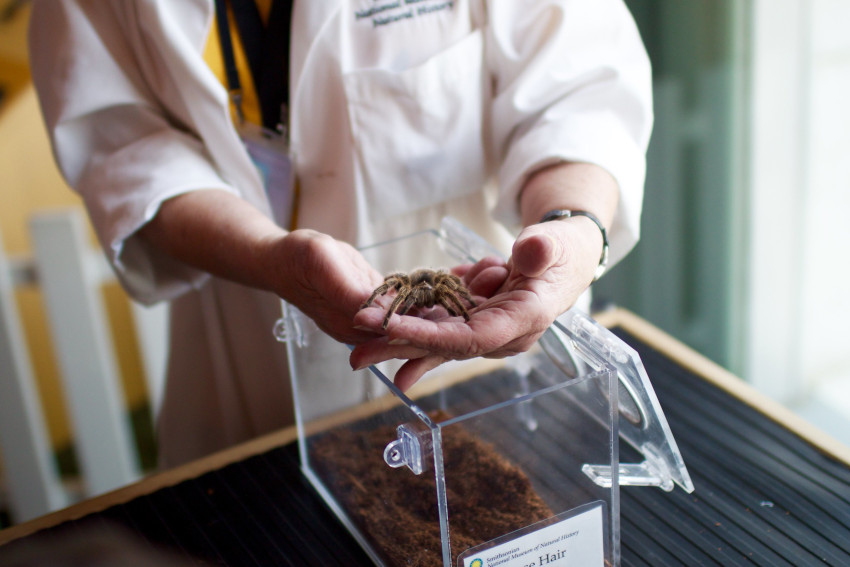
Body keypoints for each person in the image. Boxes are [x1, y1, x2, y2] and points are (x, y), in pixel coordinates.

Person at [28, 0, 652, 467]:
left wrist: (571, 226)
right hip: (247, 368)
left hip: (490, 376)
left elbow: (581, 89)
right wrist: (268, 256)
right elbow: (124, 146)